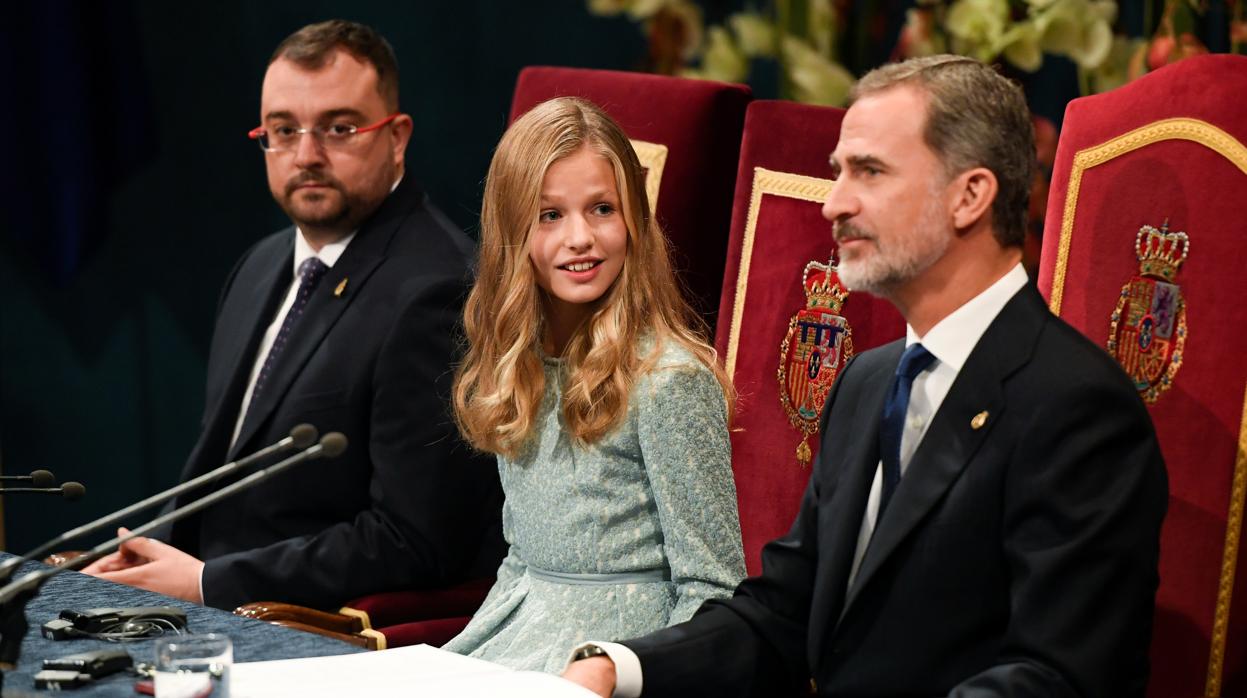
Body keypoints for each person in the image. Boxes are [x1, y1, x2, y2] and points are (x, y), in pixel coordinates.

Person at [563, 55, 1168, 697]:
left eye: (869, 172)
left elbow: (1055, 677)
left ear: (970, 195)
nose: (833, 203)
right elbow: (783, 615)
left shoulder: (1078, 406)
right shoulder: (866, 383)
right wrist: (617, 668)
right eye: (838, 172)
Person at [83, 20, 503, 611]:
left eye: (339, 128)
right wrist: (145, 554)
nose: (306, 155)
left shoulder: (437, 291)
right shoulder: (260, 266)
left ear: (397, 136)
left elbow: (416, 540)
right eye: (283, 131)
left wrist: (207, 582)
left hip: (301, 622)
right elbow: (223, 478)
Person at [442, 96, 746, 673]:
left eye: (601, 208)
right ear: (512, 232)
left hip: (616, 655)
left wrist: (633, 674)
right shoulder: (517, 368)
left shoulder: (668, 381)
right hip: (519, 636)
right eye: (549, 214)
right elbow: (520, 560)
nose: (580, 237)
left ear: (634, 219)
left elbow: (714, 592)